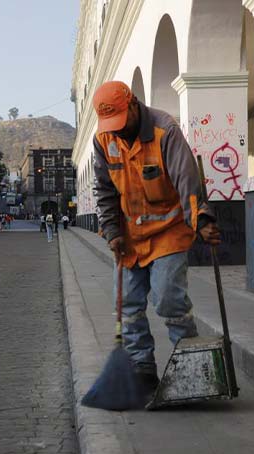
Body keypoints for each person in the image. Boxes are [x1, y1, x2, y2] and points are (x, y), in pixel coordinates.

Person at [91, 81, 221, 399]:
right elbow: (104, 190)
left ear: (134, 105)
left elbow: (186, 180)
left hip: (169, 231)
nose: (118, 132)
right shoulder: (103, 139)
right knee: (128, 306)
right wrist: (112, 232)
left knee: (168, 301)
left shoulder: (165, 130)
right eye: (112, 126)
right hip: (130, 237)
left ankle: (192, 366)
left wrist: (201, 219)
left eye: (122, 123)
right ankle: (141, 368)